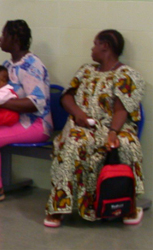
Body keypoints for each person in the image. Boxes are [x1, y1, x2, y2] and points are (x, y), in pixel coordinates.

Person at [44, 29, 145, 227]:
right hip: (82, 126)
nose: (92, 49)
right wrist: (79, 114)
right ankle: (59, 206)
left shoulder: (127, 75)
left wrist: (112, 133)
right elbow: (66, 96)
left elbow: (121, 108)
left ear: (105, 46)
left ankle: (127, 207)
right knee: (73, 143)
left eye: (95, 44)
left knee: (125, 144)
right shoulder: (86, 70)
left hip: (113, 126)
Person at [0, 19, 53, 205]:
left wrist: (1, 104)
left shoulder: (32, 65)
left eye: (4, 35)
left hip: (36, 124)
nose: (0, 39)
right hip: (13, 121)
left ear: (14, 39)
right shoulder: (6, 66)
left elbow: (35, 104)